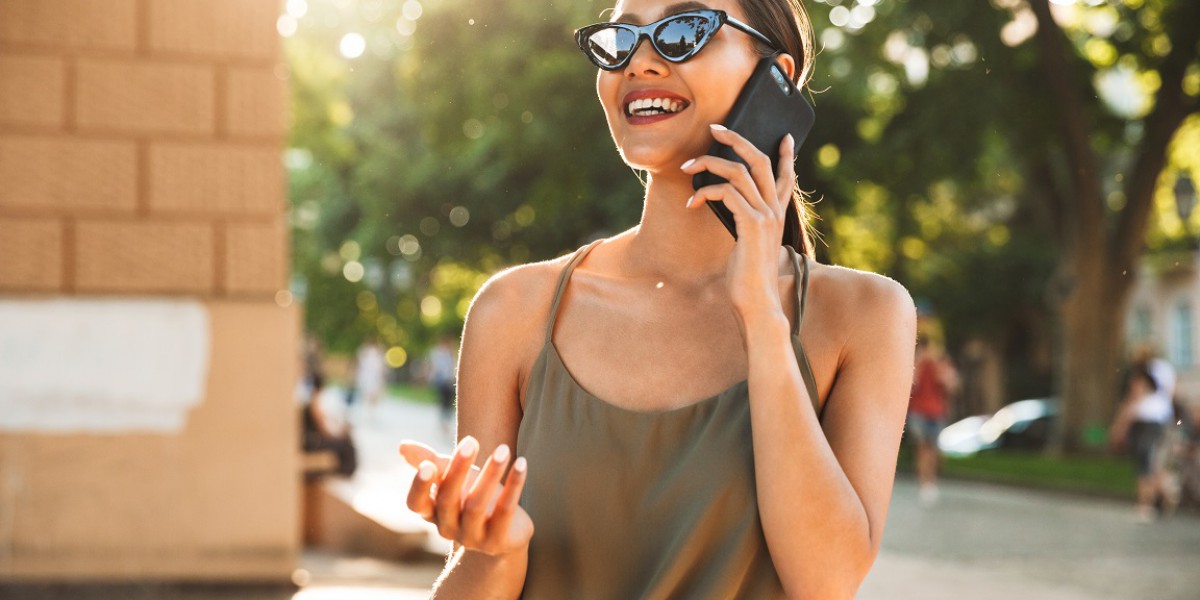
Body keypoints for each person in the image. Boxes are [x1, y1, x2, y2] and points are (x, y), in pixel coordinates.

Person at [398, 1, 916, 596]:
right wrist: (493, 552)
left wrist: (761, 316)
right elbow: (475, 575)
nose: (640, 61)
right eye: (623, 38)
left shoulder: (864, 317)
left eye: (685, 31)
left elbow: (826, 581)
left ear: (779, 77)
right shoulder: (514, 310)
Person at [1111, 359, 1176, 522]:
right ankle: (1166, 491)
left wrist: (1120, 427)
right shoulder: (1165, 370)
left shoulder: (1141, 375)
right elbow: (1172, 392)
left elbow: (1133, 400)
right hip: (1161, 420)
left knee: (1144, 465)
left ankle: (1145, 505)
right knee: (1154, 463)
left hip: (1145, 423)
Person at [906, 335, 959, 508]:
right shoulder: (915, 362)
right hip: (918, 411)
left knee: (933, 449)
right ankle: (924, 484)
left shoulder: (941, 363)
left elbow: (951, 386)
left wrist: (939, 368)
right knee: (922, 447)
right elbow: (911, 383)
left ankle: (931, 481)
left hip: (936, 411)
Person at [425, 334, 459, 437]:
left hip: (448, 380)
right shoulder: (436, 353)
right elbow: (433, 366)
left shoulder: (450, 354)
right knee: (443, 400)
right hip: (440, 379)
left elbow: (453, 366)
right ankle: (443, 421)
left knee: (449, 401)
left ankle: (446, 420)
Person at [354, 336, 388, 411]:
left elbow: (381, 367)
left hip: (373, 377)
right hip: (367, 376)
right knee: (368, 394)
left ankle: (370, 410)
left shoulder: (377, 353)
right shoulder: (365, 352)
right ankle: (368, 410)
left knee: (372, 394)